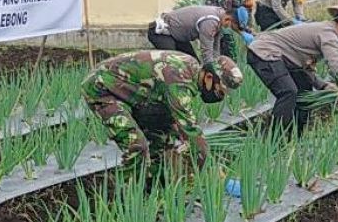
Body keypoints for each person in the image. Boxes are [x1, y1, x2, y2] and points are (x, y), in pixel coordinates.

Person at [82, 51, 243, 174]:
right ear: (209, 77)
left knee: (163, 138)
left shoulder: (193, 69)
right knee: (137, 145)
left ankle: (154, 187)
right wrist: (211, 170)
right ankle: (131, 198)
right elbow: (191, 131)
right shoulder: (179, 81)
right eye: (220, 91)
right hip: (102, 88)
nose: (220, 96)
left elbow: (173, 119)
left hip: (133, 93)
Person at [247, 3, 338, 134]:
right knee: (289, 92)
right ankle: (274, 141)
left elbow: (305, 67)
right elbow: (337, 67)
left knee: (304, 91)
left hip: (280, 57)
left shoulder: (325, 32)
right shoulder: (329, 34)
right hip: (264, 52)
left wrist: (323, 85)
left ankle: (295, 136)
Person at [146, 4, 235, 67]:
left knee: (194, 63)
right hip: (161, 33)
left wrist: (217, 66)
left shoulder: (220, 18)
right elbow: (207, 52)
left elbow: (215, 49)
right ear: (228, 19)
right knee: (174, 64)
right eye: (231, 26)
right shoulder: (210, 21)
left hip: (177, 36)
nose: (230, 29)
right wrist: (212, 72)